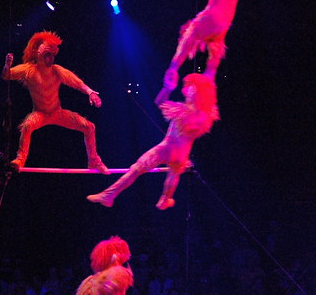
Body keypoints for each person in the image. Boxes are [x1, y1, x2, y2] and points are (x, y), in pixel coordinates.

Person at [87, 73, 219, 210]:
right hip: (181, 154)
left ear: (197, 93)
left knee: (136, 169)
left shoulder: (185, 111)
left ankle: (109, 195)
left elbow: (160, 102)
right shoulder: (205, 115)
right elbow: (210, 76)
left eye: (192, 89)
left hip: (166, 149)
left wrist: (167, 88)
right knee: (172, 175)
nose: (188, 91)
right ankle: (165, 200)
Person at [2, 30, 109, 173]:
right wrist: (7, 65)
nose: (51, 57)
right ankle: (20, 160)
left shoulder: (57, 71)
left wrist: (90, 92)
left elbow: (77, 83)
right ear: (38, 51)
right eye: (48, 54)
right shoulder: (28, 70)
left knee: (89, 127)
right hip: (39, 113)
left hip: (57, 113)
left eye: (53, 55)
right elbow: (6, 76)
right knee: (27, 126)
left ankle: (94, 161)